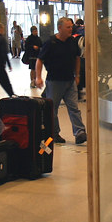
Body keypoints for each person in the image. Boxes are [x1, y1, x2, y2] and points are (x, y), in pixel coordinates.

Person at [35, 17, 87, 145]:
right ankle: (54, 133)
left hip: (70, 80)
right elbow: (39, 60)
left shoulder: (72, 42)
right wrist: (38, 77)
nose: (71, 29)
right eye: (68, 27)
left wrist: (77, 74)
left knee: (74, 107)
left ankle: (80, 132)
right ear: (60, 28)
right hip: (54, 82)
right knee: (53, 109)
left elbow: (77, 58)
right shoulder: (50, 43)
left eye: (71, 27)